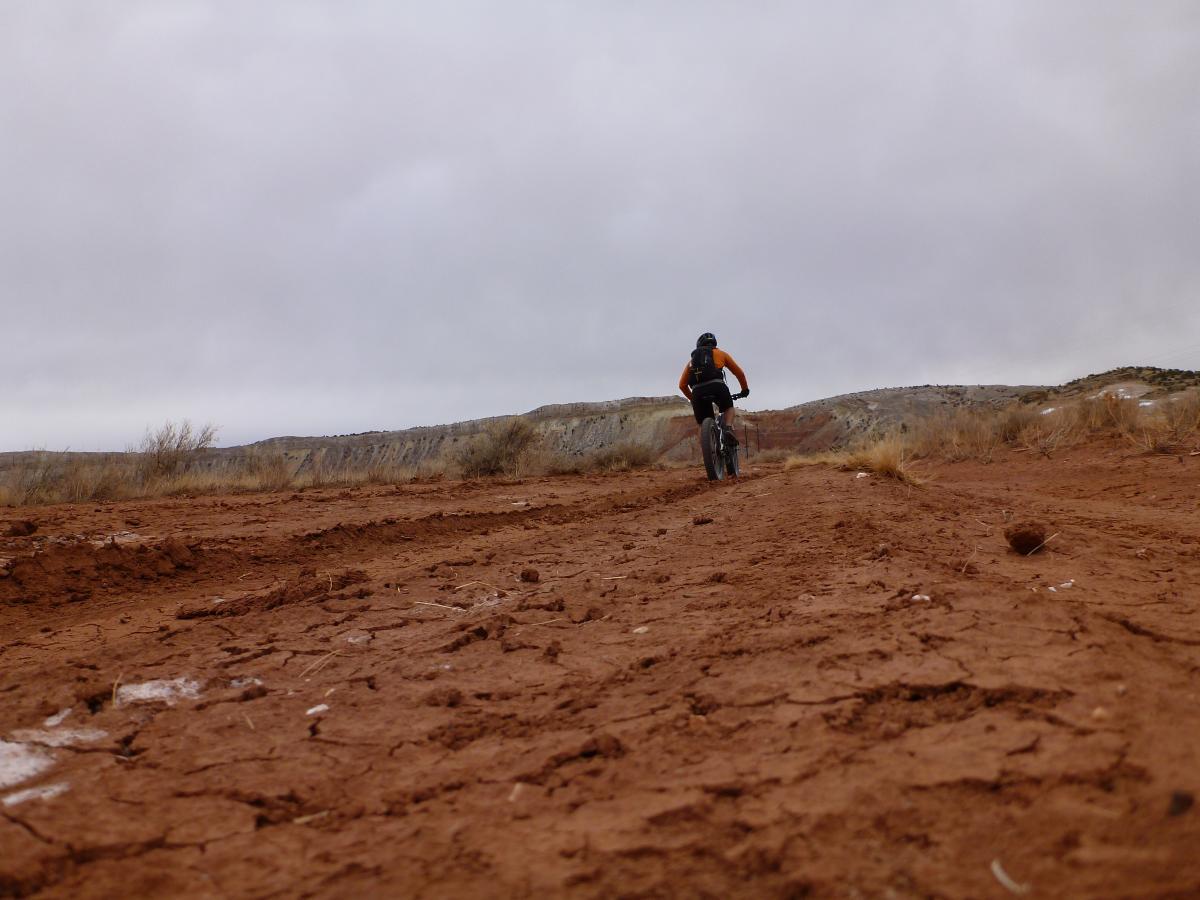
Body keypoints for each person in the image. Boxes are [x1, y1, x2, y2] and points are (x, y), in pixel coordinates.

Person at [678, 333, 749, 439]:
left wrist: (693, 399)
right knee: (728, 407)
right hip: (717, 386)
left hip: (697, 392)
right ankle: (728, 428)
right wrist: (744, 389)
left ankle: (707, 449)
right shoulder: (721, 354)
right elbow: (739, 373)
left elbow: (682, 385)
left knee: (703, 425)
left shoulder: (691, 362)